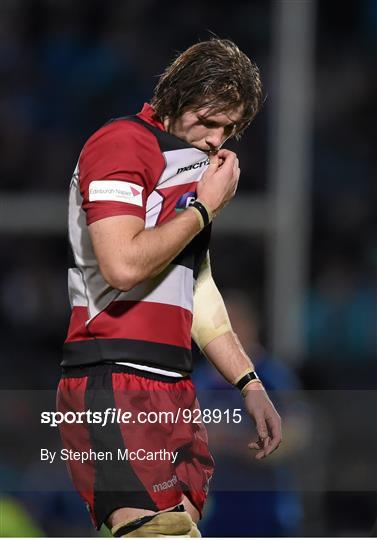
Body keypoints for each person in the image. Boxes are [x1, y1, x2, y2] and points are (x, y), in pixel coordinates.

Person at [57, 38, 282, 538]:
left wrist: (250, 383)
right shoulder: (120, 142)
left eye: (229, 129)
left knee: (173, 529)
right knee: (159, 532)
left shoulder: (190, 171)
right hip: (115, 378)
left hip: (173, 386)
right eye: (208, 121)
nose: (215, 140)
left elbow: (196, 290)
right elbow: (121, 264)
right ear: (176, 97)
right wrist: (204, 209)